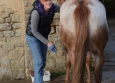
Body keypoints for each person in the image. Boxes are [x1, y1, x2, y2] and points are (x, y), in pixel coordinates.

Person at [25, 0, 60, 83]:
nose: (48, 2)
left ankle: (37, 75)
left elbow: (65, 9)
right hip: (32, 37)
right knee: (39, 61)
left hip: (43, 35)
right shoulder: (36, 12)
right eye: (45, 0)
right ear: (42, 2)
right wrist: (48, 42)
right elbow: (34, 31)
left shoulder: (53, 7)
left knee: (42, 61)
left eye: (50, 0)